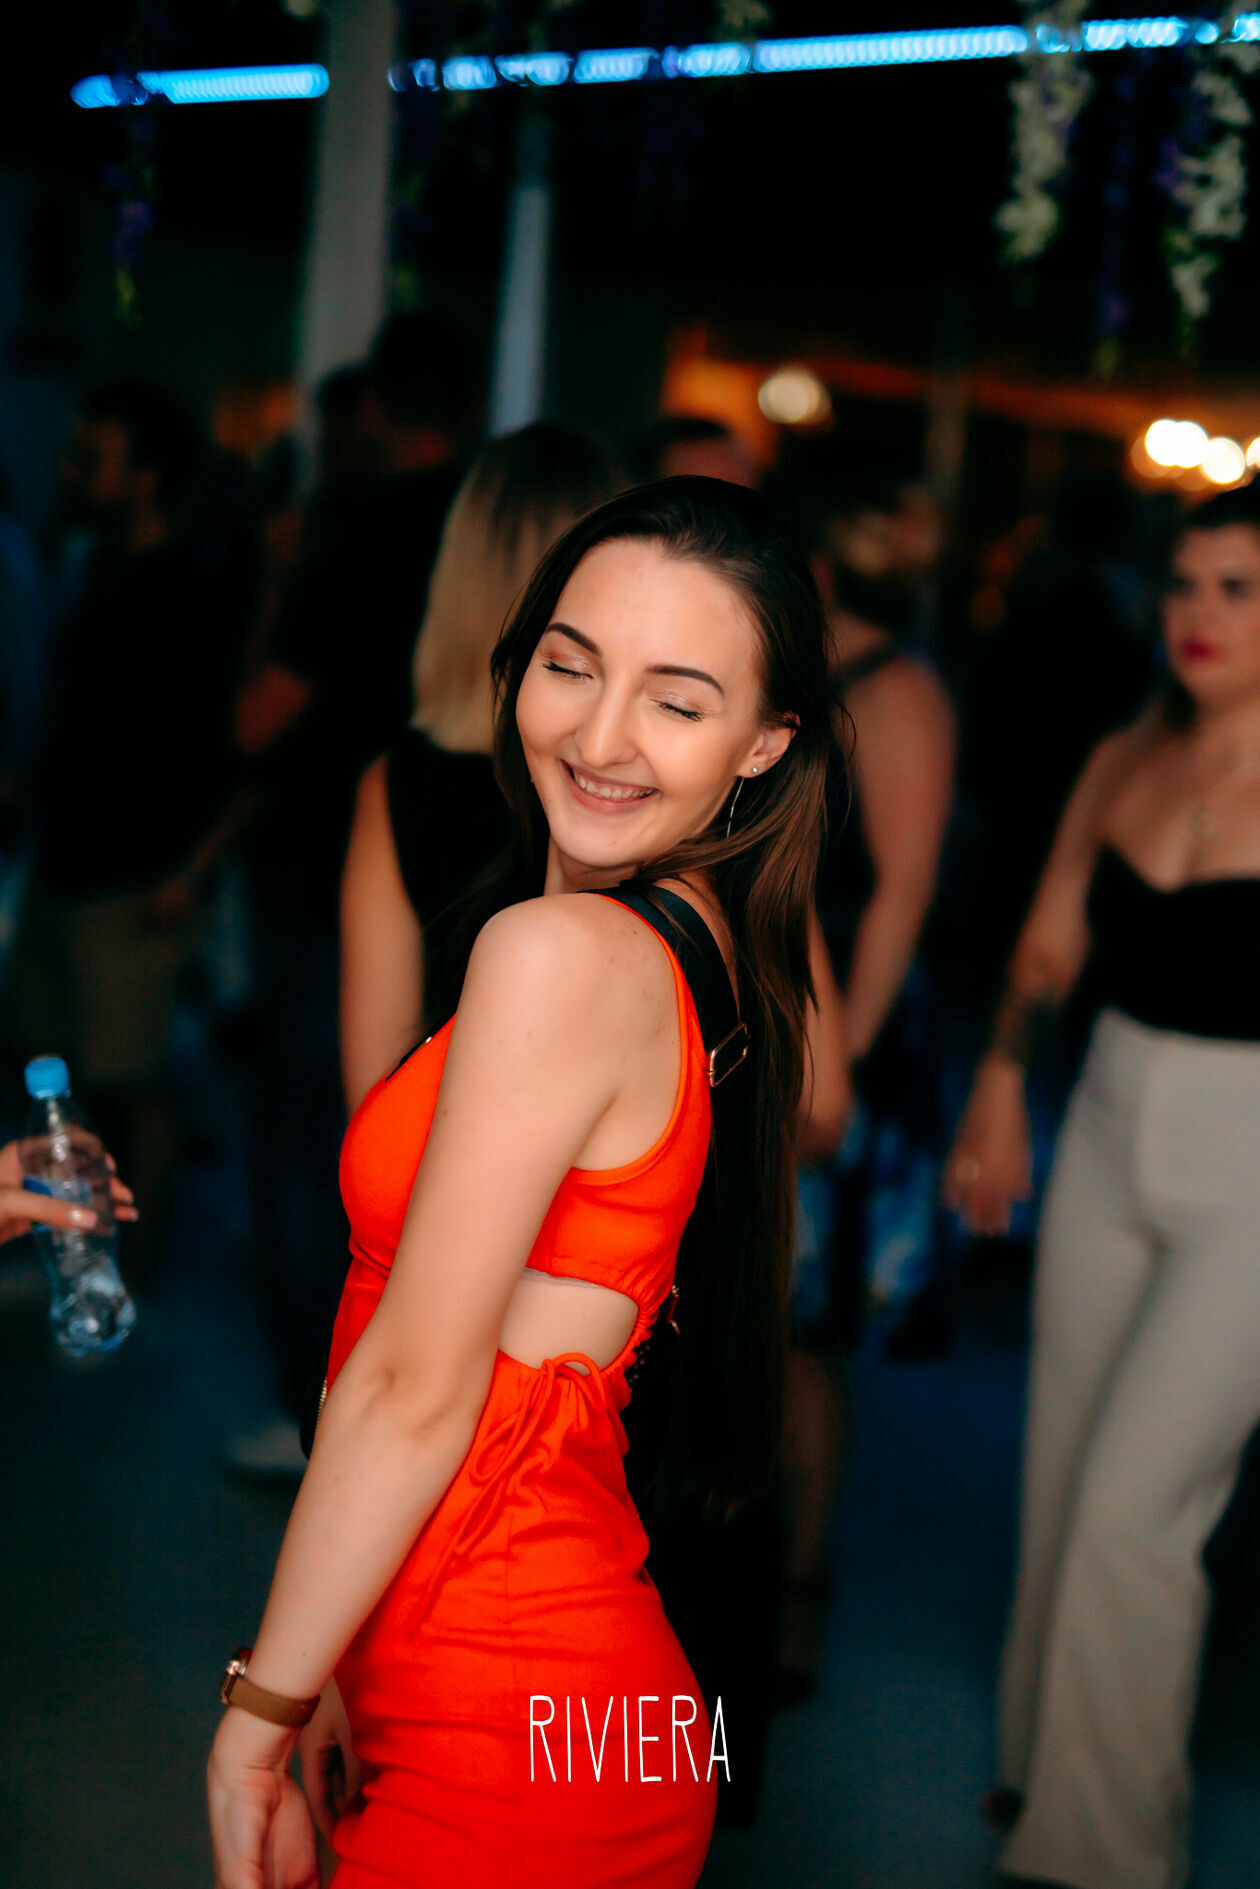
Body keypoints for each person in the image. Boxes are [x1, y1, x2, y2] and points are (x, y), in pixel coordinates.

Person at [207, 476, 833, 1887]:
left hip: (508, 1717)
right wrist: (335, 1650)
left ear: (765, 741)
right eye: (571, 664)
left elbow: (413, 1384)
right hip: (570, 1703)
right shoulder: (691, 941)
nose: (600, 737)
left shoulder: (564, 957)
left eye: (677, 700)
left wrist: (260, 1706)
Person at [945, 483, 1260, 1889]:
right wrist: (1000, 1082)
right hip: (1112, 1113)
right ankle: (1039, 1769)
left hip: (1251, 1158)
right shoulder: (1126, 753)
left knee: (1140, 1501)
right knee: (1066, 1462)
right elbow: (1048, 943)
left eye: (1238, 589)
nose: (1199, 614)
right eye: (1184, 584)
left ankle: (1108, 1856)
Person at [2, 379, 256, 1290]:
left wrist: (195, 869)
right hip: (65, 863)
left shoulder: (196, 589)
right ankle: (68, 1241)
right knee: (49, 1068)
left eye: (94, 457)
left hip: (138, 875)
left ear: (149, 476)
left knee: (132, 1081)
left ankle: (134, 1268)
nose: (74, 471)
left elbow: (238, 754)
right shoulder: (95, 566)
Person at [340, 422, 623, 1110]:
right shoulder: (650, 788)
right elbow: (818, 1104)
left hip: (454, 1155)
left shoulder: (399, 785)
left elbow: (376, 1098)